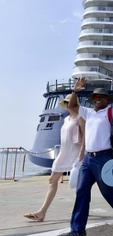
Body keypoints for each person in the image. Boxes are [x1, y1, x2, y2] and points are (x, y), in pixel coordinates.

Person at [61, 78, 113, 236]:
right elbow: (73, 105)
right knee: (81, 192)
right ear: (92, 100)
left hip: (104, 158)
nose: (98, 98)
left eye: (102, 96)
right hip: (88, 159)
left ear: (107, 99)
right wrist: (75, 91)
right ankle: (77, 230)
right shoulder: (88, 112)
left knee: (108, 192)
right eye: (95, 97)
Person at [23, 94, 85, 222]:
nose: (68, 105)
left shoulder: (80, 117)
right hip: (63, 154)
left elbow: (85, 137)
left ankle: (81, 208)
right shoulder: (66, 119)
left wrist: (82, 154)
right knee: (52, 180)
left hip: (76, 154)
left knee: (81, 185)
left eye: (70, 102)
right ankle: (42, 212)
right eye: (66, 103)